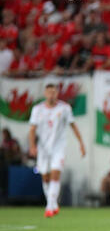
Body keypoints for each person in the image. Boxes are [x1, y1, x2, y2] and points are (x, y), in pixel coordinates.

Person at [28, 81, 86, 218]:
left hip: (58, 147)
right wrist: (32, 146)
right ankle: (53, 204)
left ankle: (49, 207)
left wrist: (81, 143)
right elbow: (32, 129)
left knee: (55, 174)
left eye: (54, 92)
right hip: (43, 148)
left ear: (57, 93)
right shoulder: (37, 109)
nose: (51, 95)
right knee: (45, 177)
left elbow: (73, 125)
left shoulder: (64, 108)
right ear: (45, 93)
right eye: (49, 92)